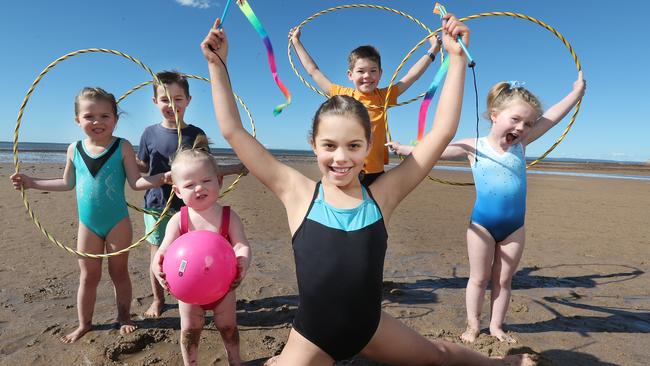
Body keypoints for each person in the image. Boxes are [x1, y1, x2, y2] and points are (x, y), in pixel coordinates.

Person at [203, 14, 536, 366]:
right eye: (329, 145)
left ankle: (501, 363)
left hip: (371, 328)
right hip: (313, 337)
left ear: (368, 146)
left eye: (353, 145)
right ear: (314, 146)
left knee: (439, 356)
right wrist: (217, 64)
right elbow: (233, 132)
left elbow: (440, 133)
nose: (341, 157)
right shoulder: (297, 192)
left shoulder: (383, 196)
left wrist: (454, 58)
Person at [387, 74, 586, 343]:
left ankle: (496, 326)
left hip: (514, 228)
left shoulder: (521, 146)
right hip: (481, 226)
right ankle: (472, 326)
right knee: (479, 279)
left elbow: (551, 116)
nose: (522, 127)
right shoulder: (473, 146)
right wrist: (402, 147)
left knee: (503, 281)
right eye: (515, 119)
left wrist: (576, 93)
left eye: (528, 123)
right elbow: (433, 150)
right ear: (494, 115)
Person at [10, 87, 170, 343]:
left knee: (119, 273)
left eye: (105, 116)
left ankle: (124, 317)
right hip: (88, 225)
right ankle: (84, 324)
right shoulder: (74, 149)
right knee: (88, 276)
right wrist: (32, 182)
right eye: (89, 116)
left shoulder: (123, 146)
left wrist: (161, 178)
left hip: (117, 222)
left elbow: (135, 182)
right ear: (78, 120)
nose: (97, 122)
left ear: (115, 119)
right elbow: (66, 183)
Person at [136, 70, 247, 318]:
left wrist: (237, 168)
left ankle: (202, 291)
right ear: (155, 102)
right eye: (165, 99)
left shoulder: (195, 134)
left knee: (197, 253)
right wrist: (128, 167)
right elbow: (141, 168)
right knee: (159, 253)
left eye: (177, 99)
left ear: (188, 100)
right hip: (158, 204)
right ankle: (158, 300)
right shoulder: (149, 134)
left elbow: (210, 168)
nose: (171, 105)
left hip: (193, 207)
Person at [289, 25, 442, 186]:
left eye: (373, 71)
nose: (367, 76)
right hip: (346, 168)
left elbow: (412, 76)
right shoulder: (342, 95)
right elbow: (313, 71)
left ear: (380, 74)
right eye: (361, 71)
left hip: (376, 172)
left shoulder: (384, 97)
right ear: (350, 75)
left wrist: (433, 50)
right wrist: (296, 42)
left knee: (375, 210)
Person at [151, 135, 251, 366]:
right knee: (190, 329)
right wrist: (158, 265)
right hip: (189, 289)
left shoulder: (228, 216)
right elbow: (165, 249)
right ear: (177, 191)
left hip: (223, 287)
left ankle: (235, 360)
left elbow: (241, 244)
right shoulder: (179, 220)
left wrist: (243, 260)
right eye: (189, 185)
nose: (199, 188)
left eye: (206, 180)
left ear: (219, 181)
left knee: (228, 327)